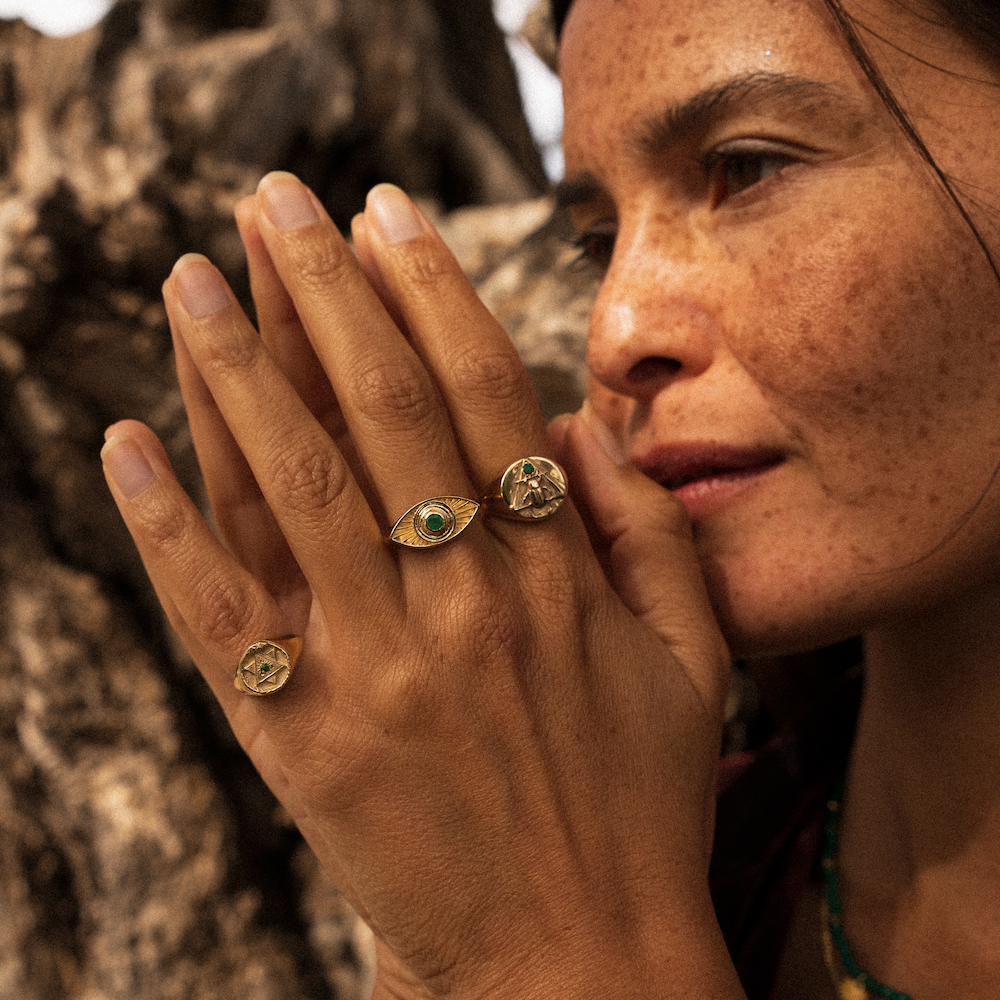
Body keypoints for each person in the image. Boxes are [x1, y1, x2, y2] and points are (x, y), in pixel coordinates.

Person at [99, 0, 1000, 996]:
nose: (612, 333)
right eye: (596, 238)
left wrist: (565, 958)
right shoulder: (709, 851)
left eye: (747, 167)